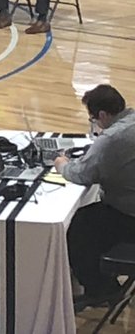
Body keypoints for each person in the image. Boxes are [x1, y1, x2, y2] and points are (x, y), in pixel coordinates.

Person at [54, 84, 135, 312]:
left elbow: (82, 174)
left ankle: (100, 289)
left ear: (102, 115)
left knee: (78, 227)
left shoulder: (112, 139)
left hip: (129, 216)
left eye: (93, 119)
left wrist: (62, 164)